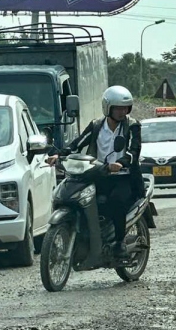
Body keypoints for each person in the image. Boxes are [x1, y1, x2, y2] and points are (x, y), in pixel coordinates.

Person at [47, 85, 142, 258]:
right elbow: (78, 142)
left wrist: (121, 163)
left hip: (124, 177)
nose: (122, 112)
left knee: (116, 202)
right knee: (84, 198)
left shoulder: (133, 126)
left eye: (125, 108)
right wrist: (59, 154)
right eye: (118, 108)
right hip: (100, 174)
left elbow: (133, 150)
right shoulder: (97, 125)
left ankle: (119, 242)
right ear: (108, 108)